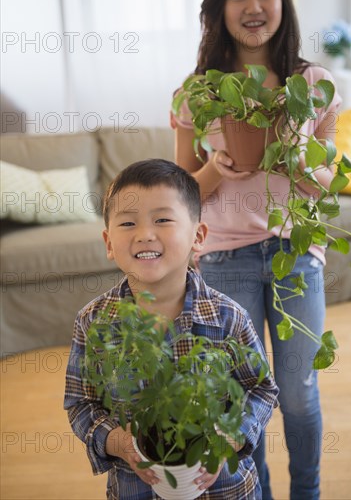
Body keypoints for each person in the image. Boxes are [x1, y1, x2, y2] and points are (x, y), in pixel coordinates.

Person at [171, 0, 342, 500]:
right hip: (223, 257)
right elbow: (181, 196)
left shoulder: (313, 84)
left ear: (282, 3)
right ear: (219, 10)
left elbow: (327, 183)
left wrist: (297, 158)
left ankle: (307, 494)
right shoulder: (197, 93)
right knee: (243, 397)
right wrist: (213, 172)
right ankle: (256, 494)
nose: (252, 6)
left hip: (296, 252)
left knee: (298, 394)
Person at [64, 158, 279, 500]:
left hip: (224, 488)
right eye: (128, 223)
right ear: (108, 242)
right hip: (135, 489)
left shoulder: (229, 317)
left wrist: (229, 437)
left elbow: (261, 390)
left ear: (198, 236)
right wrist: (119, 442)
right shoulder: (93, 322)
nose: (145, 234)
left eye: (163, 219)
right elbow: (81, 403)